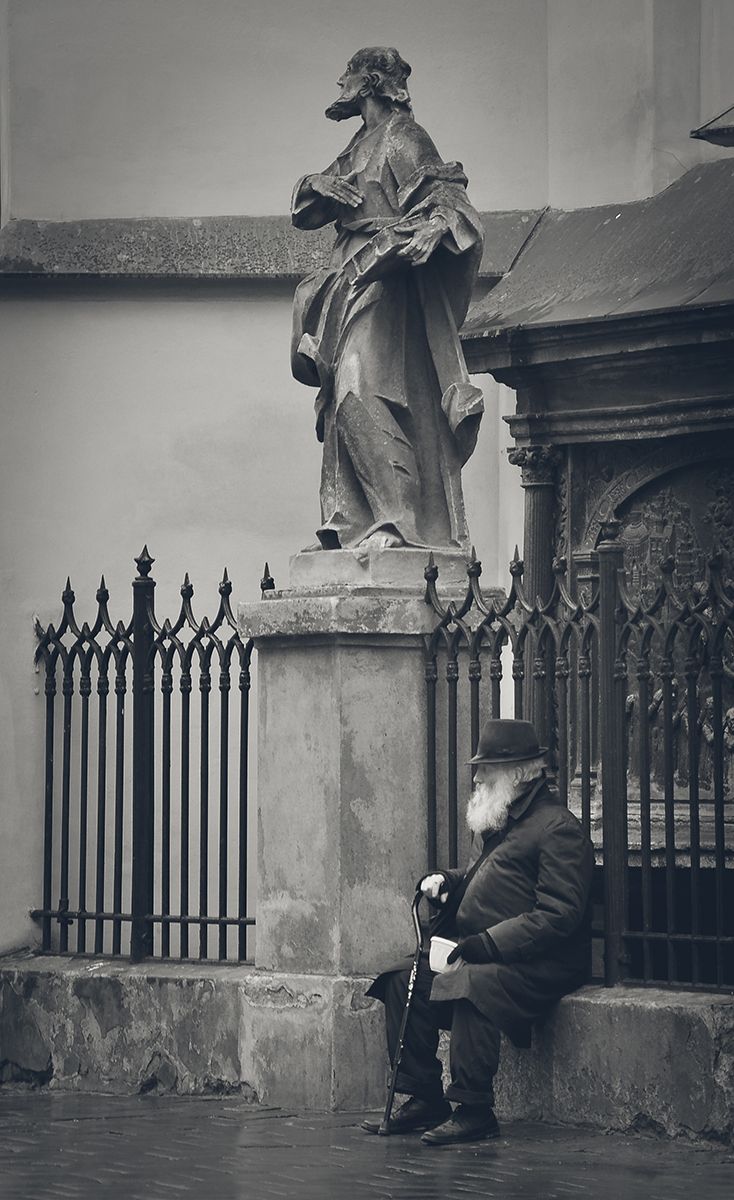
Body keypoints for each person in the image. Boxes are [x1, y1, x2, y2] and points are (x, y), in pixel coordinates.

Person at [363, 718, 594, 1145]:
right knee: (401, 978)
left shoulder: (557, 828)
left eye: (485, 768)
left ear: (519, 772)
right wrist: (446, 882)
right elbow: (482, 878)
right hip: (480, 949)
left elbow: (559, 914)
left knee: (471, 983)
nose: (477, 777)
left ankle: (474, 1109)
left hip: (539, 961)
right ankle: (425, 1097)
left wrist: (488, 944)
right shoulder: (500, 820)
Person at [291, 46, 484, 552]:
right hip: (347, 278)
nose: (341, 82)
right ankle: (348, 521)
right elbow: (305, 213)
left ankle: (399, 520)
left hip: (386, 278)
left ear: (371, 82)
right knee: (340, 399)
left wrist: (436, 226)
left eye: (349, 73)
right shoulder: (359, 143)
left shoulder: (404, 136)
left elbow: (449, 196)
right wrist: (316, 183)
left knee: (359, 390)